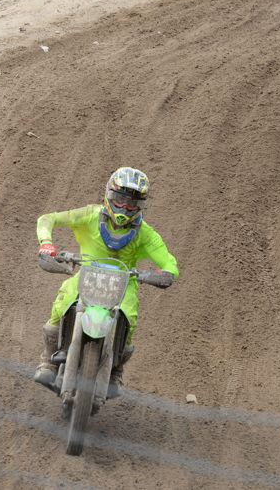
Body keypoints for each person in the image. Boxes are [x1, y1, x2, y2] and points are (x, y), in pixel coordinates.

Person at [34, 167, 178, 398]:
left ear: (141, 206)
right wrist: (46, 243)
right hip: (87, 274)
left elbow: (169, 263)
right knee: (63, 301)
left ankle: (116, 371)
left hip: (124, 284)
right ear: (109, 195)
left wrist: (164, 274)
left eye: (132, 203)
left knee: (129, 316)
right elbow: (47, 219)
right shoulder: (90, 215)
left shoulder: (146, 234)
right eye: (120, 199)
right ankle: (48, 360)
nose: (124, 207)